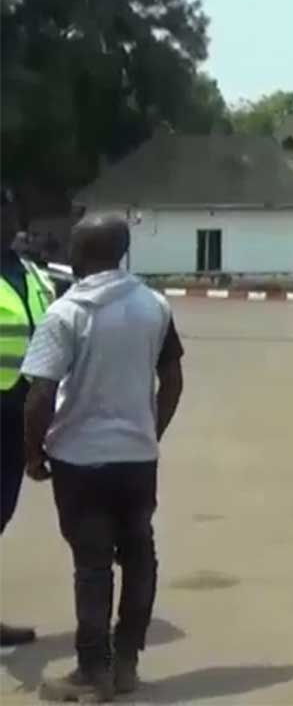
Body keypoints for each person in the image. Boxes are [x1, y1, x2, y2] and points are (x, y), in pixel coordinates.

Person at [21, 214, 185, 702]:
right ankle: (126, 663)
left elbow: (40, 393)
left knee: (93, 566)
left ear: (80, 252)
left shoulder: (66, 313)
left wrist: (34, 452)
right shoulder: (154, 305)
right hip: (137, 460)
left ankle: (93, 672)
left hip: (81, 462)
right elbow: (173, 379)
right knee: (139, 556)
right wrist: (150, 432)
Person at [1, 187, 58, 648]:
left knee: (1, 513)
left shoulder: (33, 274)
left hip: (19, 417)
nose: (6, 218)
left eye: (8, 209)